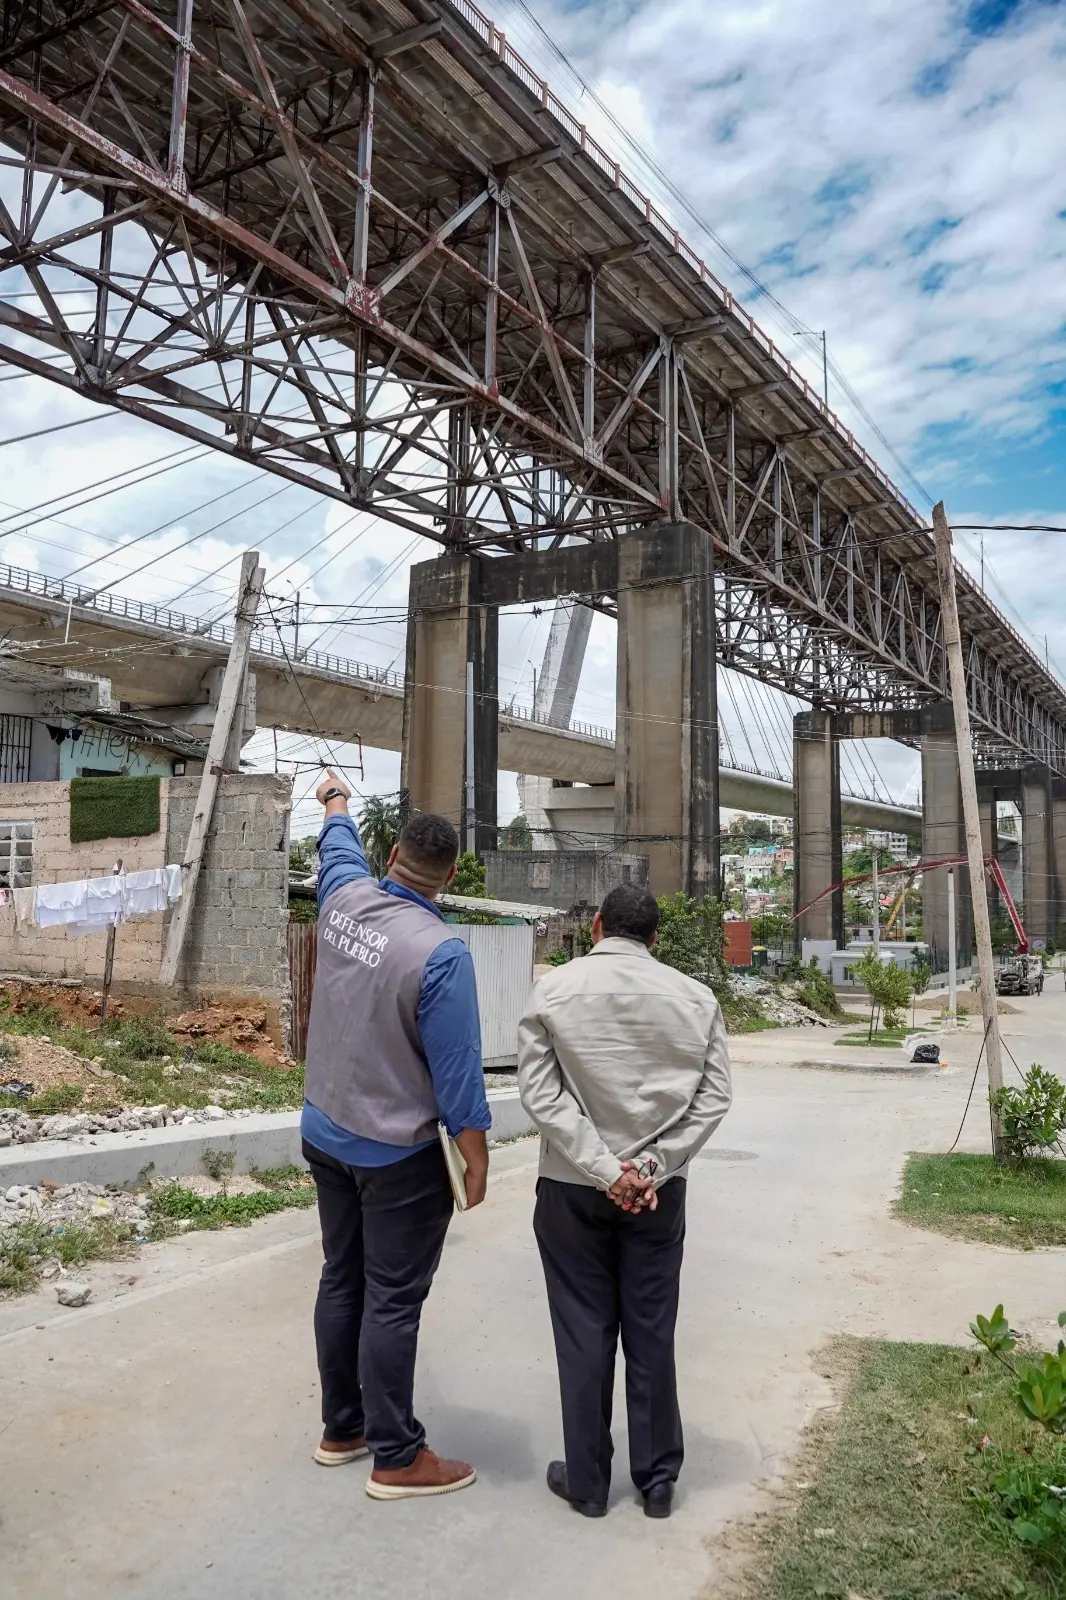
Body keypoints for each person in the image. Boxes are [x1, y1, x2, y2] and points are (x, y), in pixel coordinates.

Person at [301, 769, 492, 1501]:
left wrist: (336, 801)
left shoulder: (344, 896)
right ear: (447, 877)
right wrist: (475, 1161)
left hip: (324, 1129)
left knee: (340, 1277)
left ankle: (342, 1427)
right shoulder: (439, 952)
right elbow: (458, 1077)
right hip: (396, 1156)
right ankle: (395, 1455)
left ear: (392, 855)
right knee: (391, 1298)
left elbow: (336, 846)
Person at [517, 884, 732, 1521]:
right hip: (659, 1195)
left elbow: (540, 1094)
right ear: (656, 938)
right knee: (651, 1329)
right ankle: (657, 1480)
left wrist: (605, 1169)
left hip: (572, 1188)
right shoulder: (697, 999)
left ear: (597, 926)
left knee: (583, 1332)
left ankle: (586, 1482)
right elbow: (714, 1098)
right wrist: (651, 1167)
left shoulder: (553, 991)